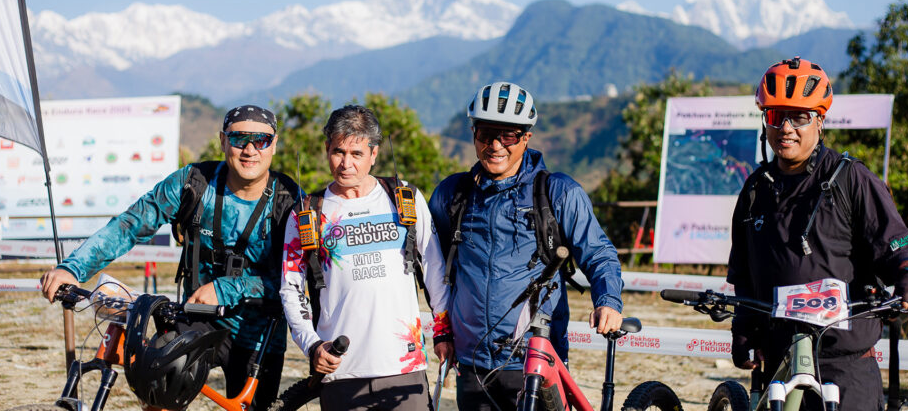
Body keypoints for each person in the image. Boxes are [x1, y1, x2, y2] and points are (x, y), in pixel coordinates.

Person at [40, 105, 299, 410]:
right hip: (196, 317)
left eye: (262, 140)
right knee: (159, 392)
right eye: (240, 138)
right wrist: (73, 268)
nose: (250, 149)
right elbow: (130, 224)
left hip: (259, 331)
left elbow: (296, 279)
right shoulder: (193, 182)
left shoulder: (290, 200)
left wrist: (227, 288)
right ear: (223, 140)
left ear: (274, 144)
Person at [727, 57, 908, 410]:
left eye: (800, 117)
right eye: (777, 116)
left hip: (845, 361)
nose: (787, 128)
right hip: (781, 357)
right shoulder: (754, 190)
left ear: (820, 122)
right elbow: (744, 274)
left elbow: (896, 244)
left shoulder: (851, 180)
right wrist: (744, 329)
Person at [428, 82, 624, 410]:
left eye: (508, 135)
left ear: (526, 137)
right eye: (485, 133)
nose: (495, 145)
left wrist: (608, 301)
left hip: (535, 359)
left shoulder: (558, 193)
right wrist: (443, 331)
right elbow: (433, 266)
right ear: (473, 134)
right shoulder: (452, 195)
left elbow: (598, 252)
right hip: (472, 362)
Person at [279, 105, 453, 411]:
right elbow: (291, 290)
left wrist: (444, 333)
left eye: (356, 154)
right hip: (340, 370)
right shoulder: (307, 213)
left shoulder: (405, 199)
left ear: (374, 153)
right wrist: (312, 345)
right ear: (326, 149)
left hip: (404, 368)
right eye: (338, 152)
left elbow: (435, 270)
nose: (346, 164)